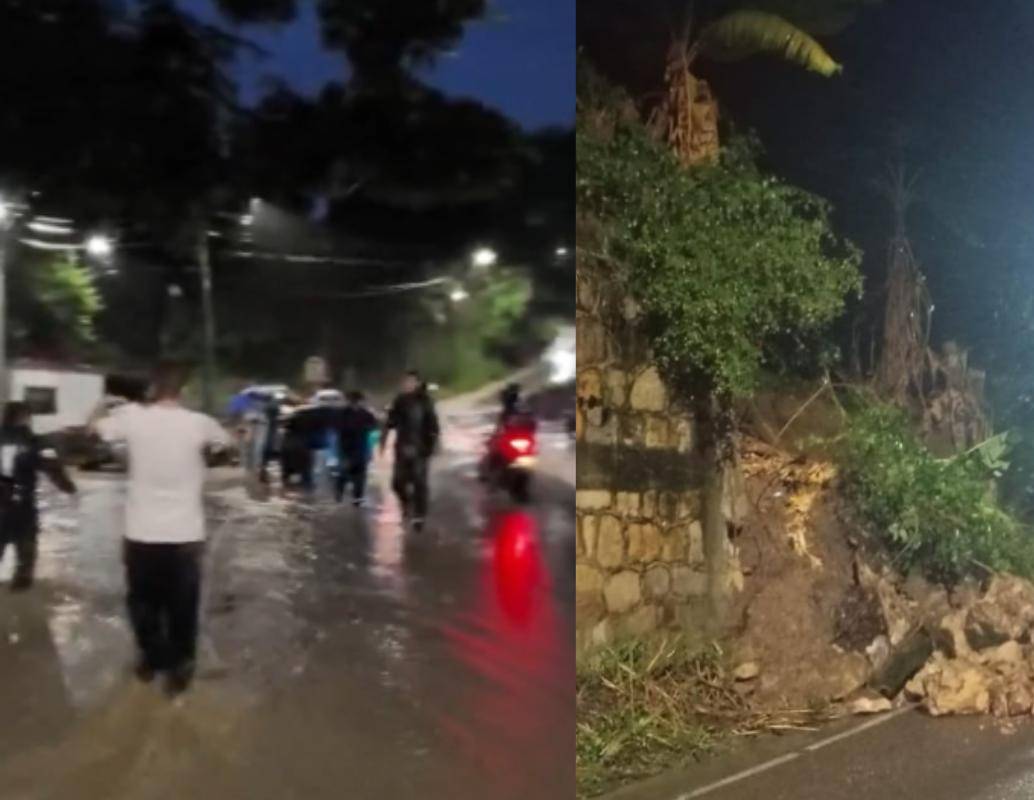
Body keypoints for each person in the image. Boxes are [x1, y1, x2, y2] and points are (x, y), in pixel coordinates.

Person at [91, 361, 229, 696]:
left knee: (142, 602)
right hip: (185, 535)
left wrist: (103, 404)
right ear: (183, 390)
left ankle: (153, 658)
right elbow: (226, 445)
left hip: (141, 533)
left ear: (152, 387)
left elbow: (93, 429)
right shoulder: (200, 424)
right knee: (182, 604)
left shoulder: (132, 418)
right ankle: (180, 666)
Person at [0, 402, 76, 591]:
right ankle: (20, 592)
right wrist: (68, 488)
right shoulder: (34, 441)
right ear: (25, 418)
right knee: (26, 551)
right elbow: (52, 469)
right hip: (22, 503)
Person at [381, 370, 439, 530]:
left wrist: (430, 447)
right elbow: (390, 422)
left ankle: (419, 516)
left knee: (419, 482)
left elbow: (433, 426)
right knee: (397, 482)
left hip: (420, 449)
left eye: (411, 381)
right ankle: (406, 503)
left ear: (417, 383)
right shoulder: (399, 400)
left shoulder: (425, 401)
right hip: (402, 448)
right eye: (405, 381)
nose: (407, 384)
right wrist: (384, 432)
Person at [334, 391, 379, 506]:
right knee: (344, 472)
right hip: (346, 447)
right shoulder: (343, 413)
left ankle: (357, 498)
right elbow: (337, 427)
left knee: (359, 474)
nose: (356, 404)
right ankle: (339, 493)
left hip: (359, 447)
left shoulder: (365, 414)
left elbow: (374, 425)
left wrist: (367, 430)